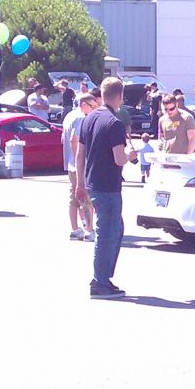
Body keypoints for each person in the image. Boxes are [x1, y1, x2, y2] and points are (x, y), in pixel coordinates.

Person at [75, 77, 138, 299]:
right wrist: (132, 155)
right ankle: (99, 282)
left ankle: (104, 277)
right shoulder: (115, 123)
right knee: (107, 233)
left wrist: (80, 184)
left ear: (101, 94)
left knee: (115, 229)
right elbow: (119, 158)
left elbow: (79, 154)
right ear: (120, 96)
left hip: (92, 183)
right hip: (108, 186)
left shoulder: (89, 119)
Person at [61, 93, 97, 242]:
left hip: (70, 164)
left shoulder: (69, 116)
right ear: (83, 105)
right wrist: (80, 162)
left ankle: (75, 229)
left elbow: (63, 139)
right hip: (79, 165)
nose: (94, 110)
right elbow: (74, 139)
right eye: (92, 106)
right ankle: (89, 230)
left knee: (74, 199)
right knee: (86, 199)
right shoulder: (81, 118)